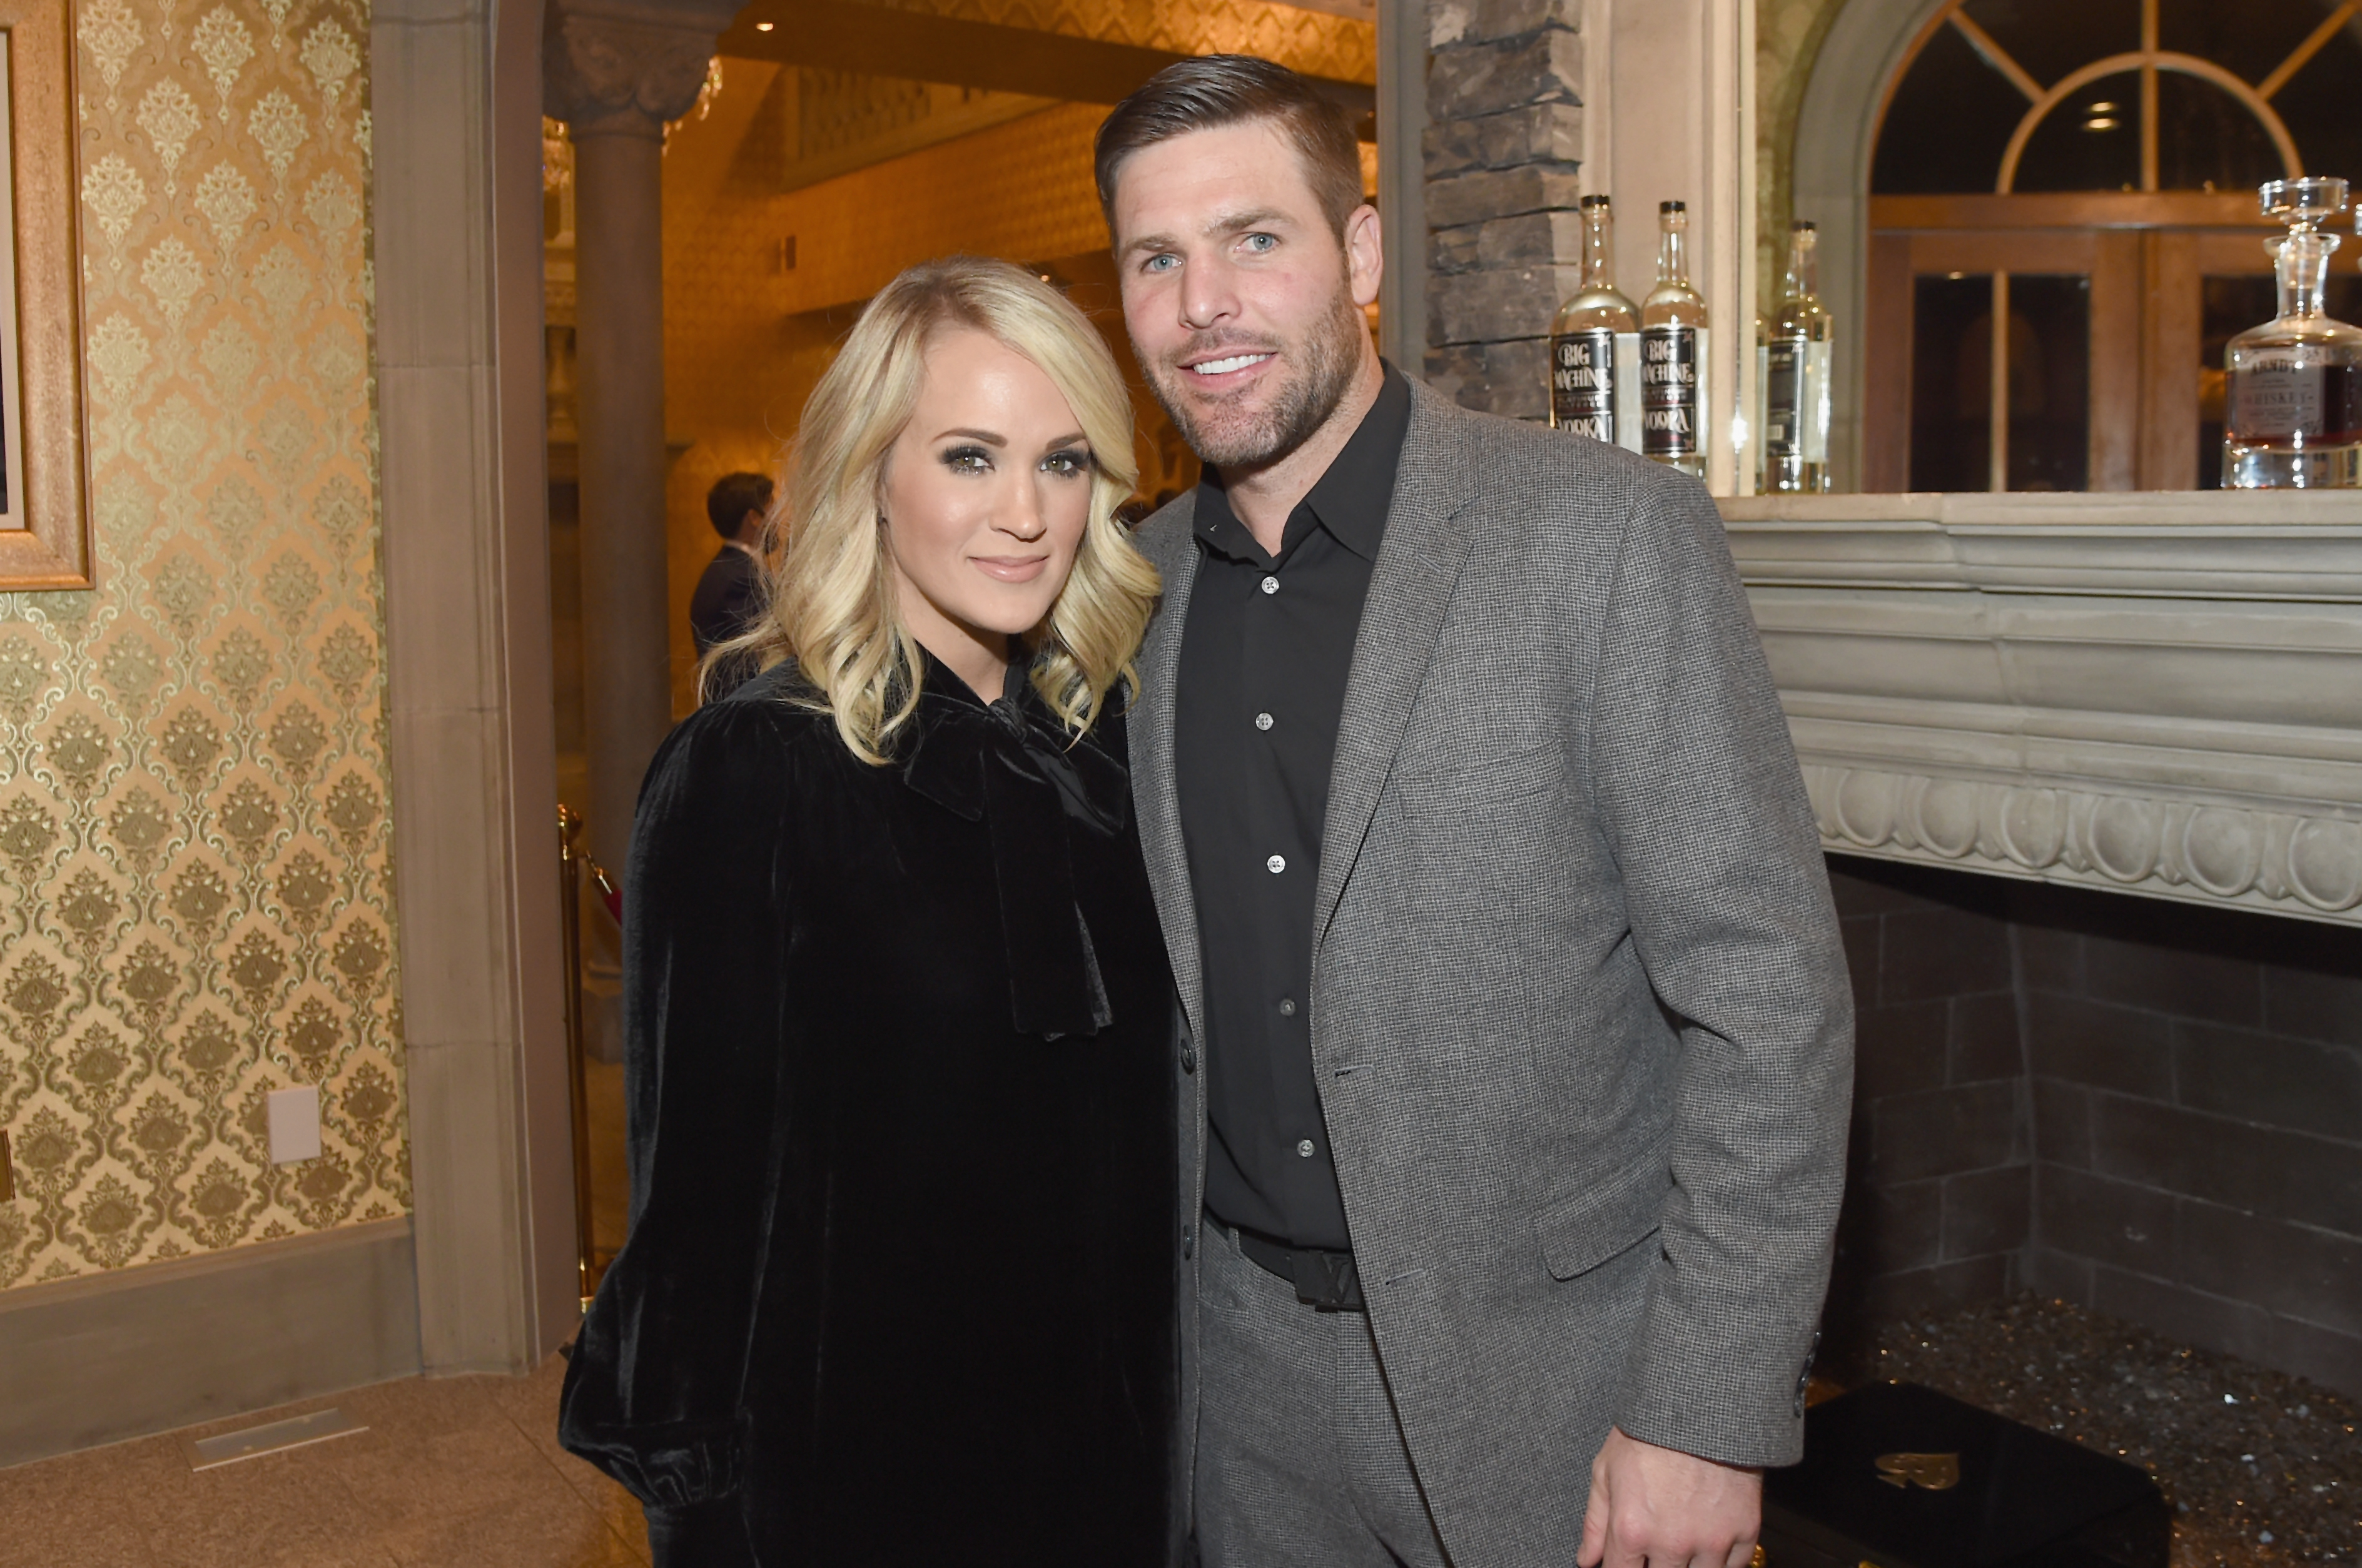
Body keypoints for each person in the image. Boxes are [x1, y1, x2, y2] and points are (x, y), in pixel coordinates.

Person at [1096, 55, 1855, 1568]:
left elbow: (1769, 1000)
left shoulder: (1601, 536)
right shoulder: (1128, 594)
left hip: (1564, 1396)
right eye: (1154, 258)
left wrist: (1701, 1412)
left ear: (1359, 252)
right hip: (1235, 1385)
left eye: (1254, 238)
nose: (1204, 305)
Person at [558, 256, 1177, 1566]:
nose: (1025, 513)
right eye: (968, 456)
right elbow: (698, 1217)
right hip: (859, 1478)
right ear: (870, 477)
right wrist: (704, 1512)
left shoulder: (1103, 751)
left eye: (1063, 462)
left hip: (1106, 1461)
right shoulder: (754, 770)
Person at [691, 472, 774, 702]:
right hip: (744, 715)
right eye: (773, 507)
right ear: (754, 518)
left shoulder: (731, 569)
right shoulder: (737, 579)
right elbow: (764, 654)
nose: (780, 519)